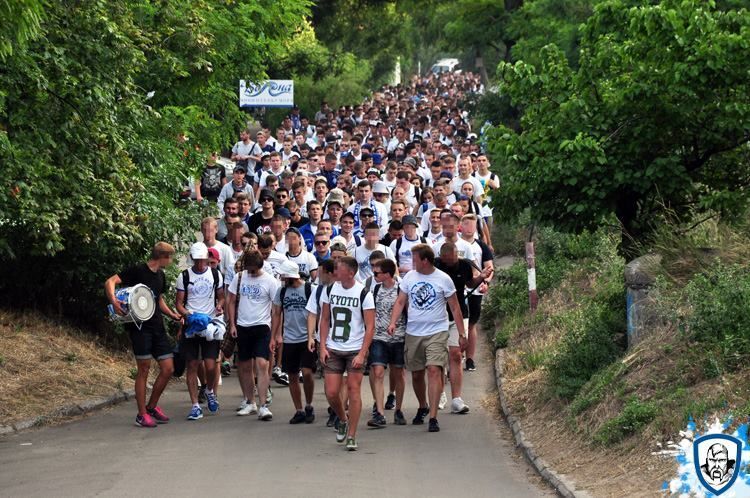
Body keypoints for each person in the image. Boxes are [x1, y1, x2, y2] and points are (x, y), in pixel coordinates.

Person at [388, 244, 466, 433]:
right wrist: (392, 322)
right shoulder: (409, 277)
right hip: (414, 331)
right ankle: (422, 405)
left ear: (424, 260)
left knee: (433, 369)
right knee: (416, 373)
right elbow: (400, 301)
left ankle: (433, 416)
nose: (411, 263)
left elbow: (455, 307)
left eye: (414, 259)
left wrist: (462, 333)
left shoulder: (443, 279)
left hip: (437, 331)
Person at [104, 242, 179, 428]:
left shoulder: (161, 275)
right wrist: (114, 301)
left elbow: (158, 299)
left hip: (157, 327)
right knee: (144, 369)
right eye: (169, 257)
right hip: (140, 328)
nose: (170, 261)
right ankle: (141, 414)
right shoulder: (138, 270)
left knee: (168, 368)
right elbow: (110, 281)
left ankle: (152, 406)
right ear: (162, 256)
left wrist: (171, 314)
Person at [319, 256, 376, 451]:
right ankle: (342, 418)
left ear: (350, 273)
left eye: (339, 269)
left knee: (353, 390)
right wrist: (323, 346)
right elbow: (325, 319)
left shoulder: (363, 293)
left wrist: (362, 353)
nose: (335, 271)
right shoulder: (329, 290)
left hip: (355, 348)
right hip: (334, 347)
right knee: (332, 392)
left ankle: (352, 434)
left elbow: (370, 327)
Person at [434, 242, 491, 413]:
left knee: (456, 355)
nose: (450, 263)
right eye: (446, 260)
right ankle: (440, 393)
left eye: (452, 259)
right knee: (438, 358)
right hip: (437, 316)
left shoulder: (465, 264)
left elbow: (470, 283)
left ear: (456, 254)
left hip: (459, 314)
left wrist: (481, 277)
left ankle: (457, 398)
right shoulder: (435, 265)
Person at [226, 249, 279, 420]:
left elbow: (276, 309)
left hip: (262, 326)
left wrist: (275, 335)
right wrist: (232, 324)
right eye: (249, 268)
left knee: (262, 364)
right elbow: (231, 301)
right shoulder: (240, 277)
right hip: (243, 326)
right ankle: (250, 401)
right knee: (244, 366)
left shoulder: (271, 281)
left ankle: (263, 404)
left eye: (254, 269)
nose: (251, 272)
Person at [176, 242, 225, 421]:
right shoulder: (184, 276)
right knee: (192, 364)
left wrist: (219, 306)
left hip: (210, 323)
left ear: (206, 258)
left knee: (211, 365)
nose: (199, 263)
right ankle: (195, 405)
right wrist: (187, 315)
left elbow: (221, 297)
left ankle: (210, 390)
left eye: (202, 260)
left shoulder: (215, 274)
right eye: (196, 260)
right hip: (191, 324)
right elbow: (179, 303)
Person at [272, 261, 317, 424]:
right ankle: (298, 409)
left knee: (306, 373)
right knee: (292, 375)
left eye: (284, 276)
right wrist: (275, 335)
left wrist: (314, 335)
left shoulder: (310, 289)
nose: (282, 278)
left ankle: (309, 404)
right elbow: (277, 313)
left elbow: (317, 312)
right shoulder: (281, 291)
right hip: (289, 338)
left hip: (307, 338)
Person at [367, 258, 407, 427]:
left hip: (398, 337)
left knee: (398, 373)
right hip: (379, 338)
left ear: (388, 274)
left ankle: (398, 409)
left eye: (377, 273)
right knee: (377, 372)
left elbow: (407, 311)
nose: (374, 275)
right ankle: (380, 412)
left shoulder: (401, 289)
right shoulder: (375, 289)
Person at [460, 214, 495, 371]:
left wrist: (486, 282)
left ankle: (470, 358)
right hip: (459, 289)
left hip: (475, 290)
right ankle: (456, 356)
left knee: (472, 324)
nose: (470, 228)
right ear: (461, 226)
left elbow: (489, 267)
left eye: (473, 225)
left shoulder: (481, 246)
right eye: (467, 224)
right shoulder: (455, 244)